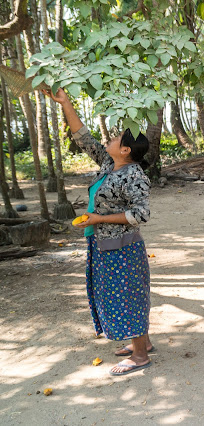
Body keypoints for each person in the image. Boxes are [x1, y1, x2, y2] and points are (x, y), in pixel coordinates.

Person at [45, 88, 154, 376]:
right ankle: (143, 343)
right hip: (104, 244)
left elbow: (140, 214)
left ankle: (140, 356)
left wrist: (98, 218)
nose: (111, 139)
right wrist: (65, 103)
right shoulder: (109, 164)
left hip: (122, 248)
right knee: (121, 295)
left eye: (117, 138)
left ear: (126, 150)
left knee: (127, 296)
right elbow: (84, 137)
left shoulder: (134, 175)